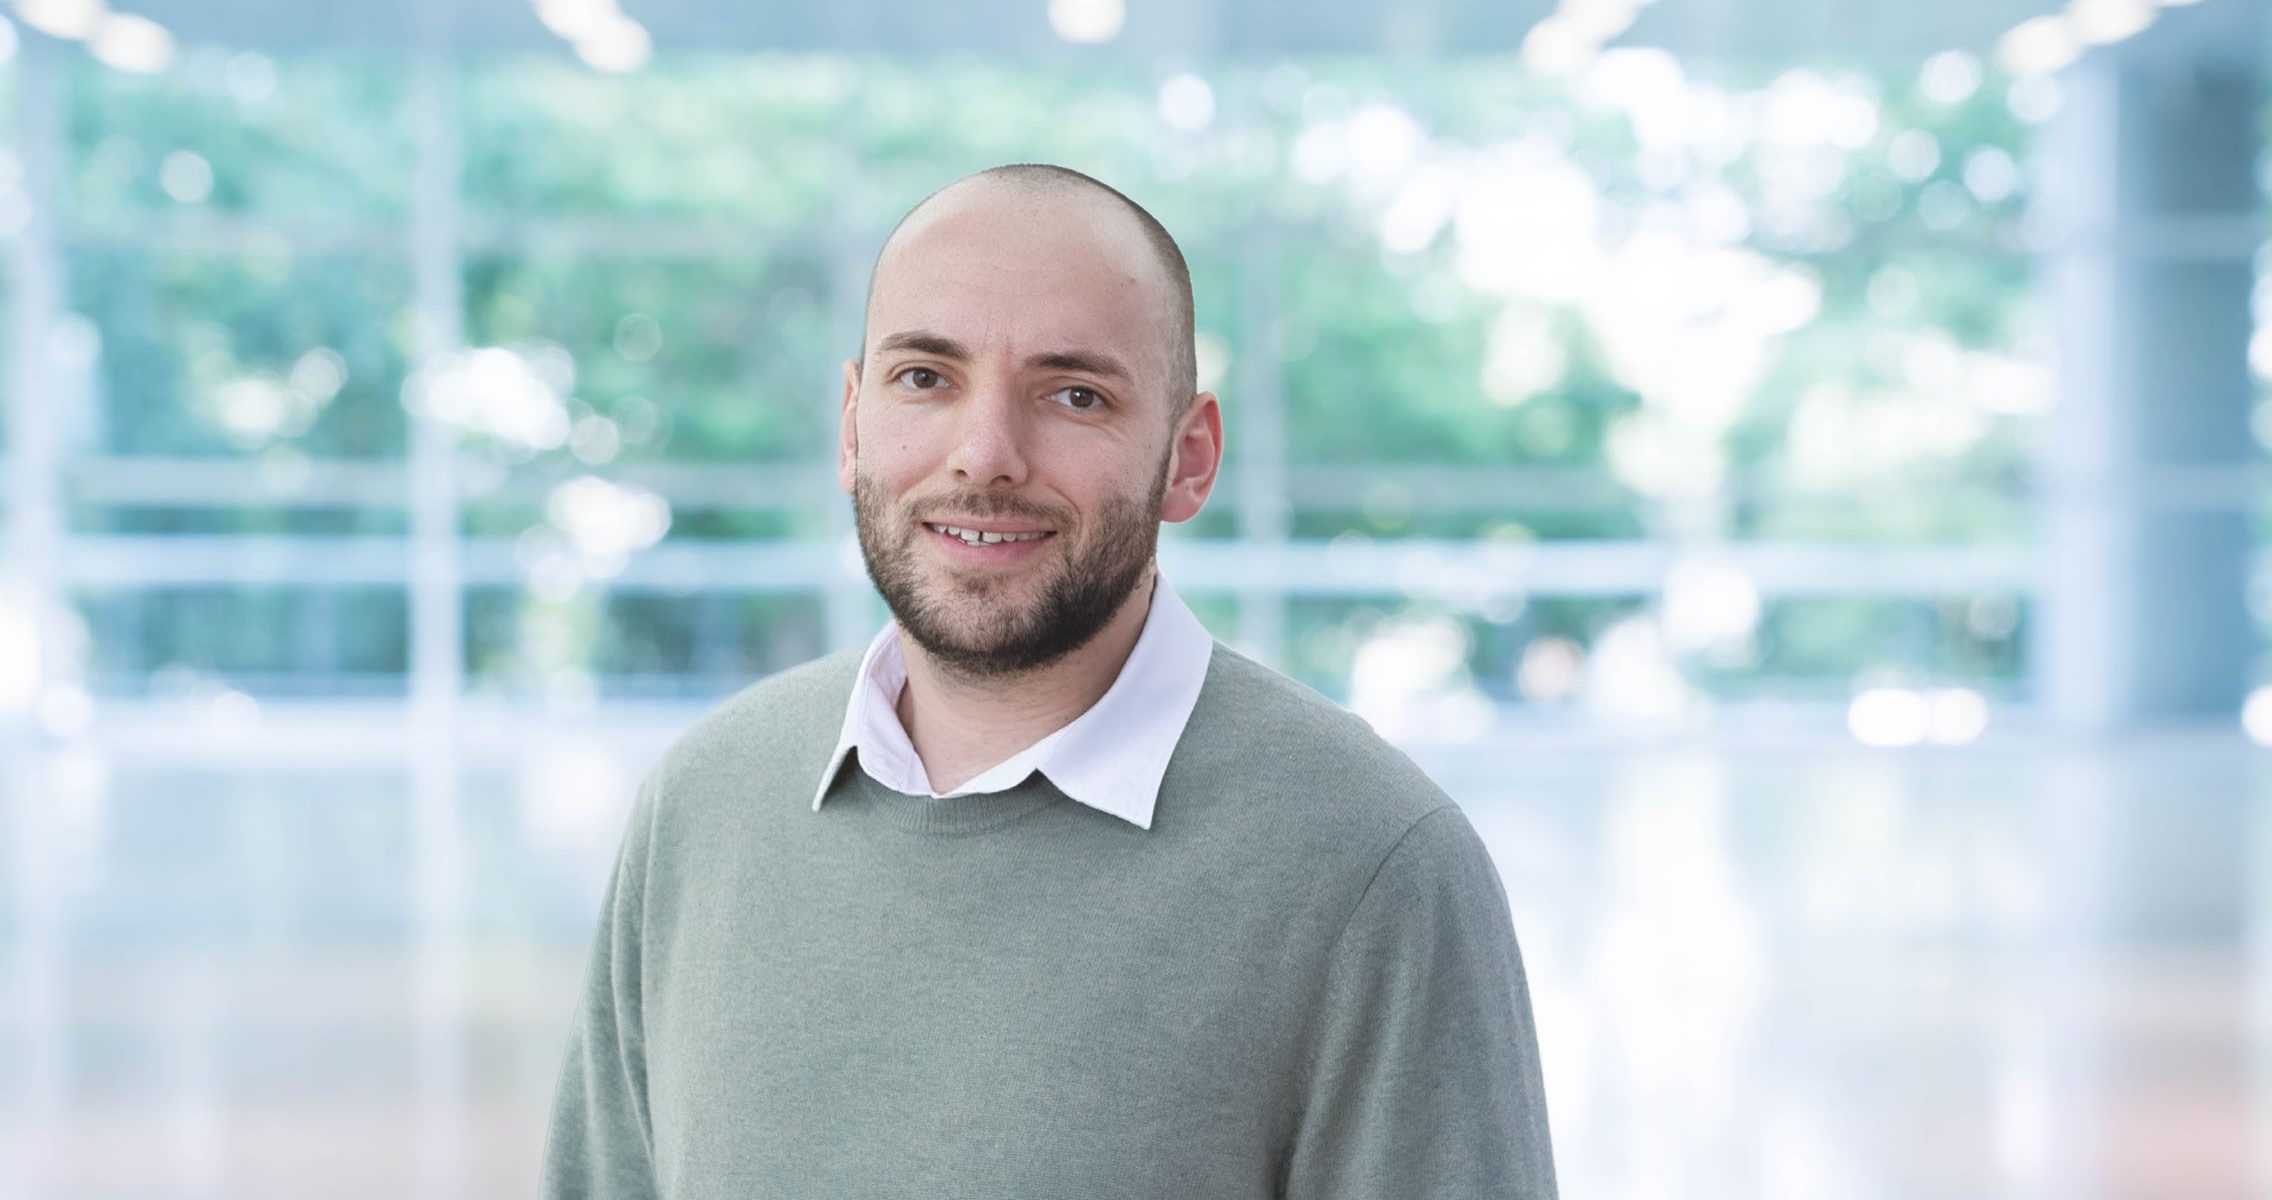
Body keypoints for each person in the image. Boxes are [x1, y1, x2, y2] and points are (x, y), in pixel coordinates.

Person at [539, 163, 1558, 1199]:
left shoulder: (1373, 866)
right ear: (851, 423)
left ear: (1188, 458)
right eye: (925, 379)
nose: (985, 456)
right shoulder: (706, 801)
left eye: (1075, 395)